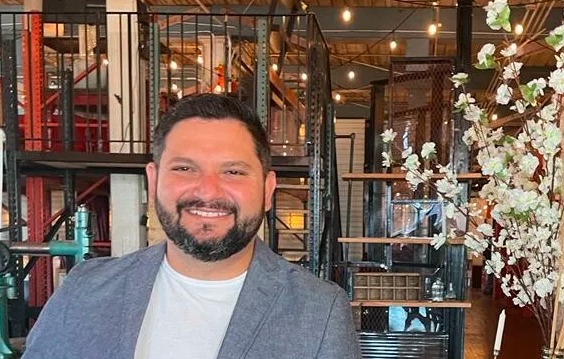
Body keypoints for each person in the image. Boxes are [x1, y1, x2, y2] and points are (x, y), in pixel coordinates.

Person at [22, 94, 361, 359]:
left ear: (268, 190)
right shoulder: (85, 290)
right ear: (153, 181)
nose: (208, 191)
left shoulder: (319, 312)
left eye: (234, 172)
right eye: (184, 168)